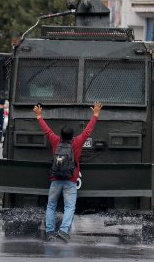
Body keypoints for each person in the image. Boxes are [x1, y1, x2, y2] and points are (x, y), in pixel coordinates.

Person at [33, 102, 102, 242]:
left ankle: (49, 231)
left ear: (61, 135)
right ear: (72, 135)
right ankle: (64, 231)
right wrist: (95, 114)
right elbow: (88, 131)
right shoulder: (77, 143)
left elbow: (47, 131)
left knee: (51, 205)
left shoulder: (55, 141)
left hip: (55, 179)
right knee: (69, 206)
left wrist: (39, 116)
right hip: (70, 180)